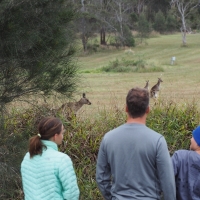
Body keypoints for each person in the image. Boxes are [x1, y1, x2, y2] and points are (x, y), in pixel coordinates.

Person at [96, 87, 176, 200]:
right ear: (148, 109)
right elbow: (168, 183)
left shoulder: (108, 139)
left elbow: (101, 178)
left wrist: (113, 197)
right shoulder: (158, 141)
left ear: (126, 108)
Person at [21, 117, 79, 200]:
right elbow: (72, 194)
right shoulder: (62, 159)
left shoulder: (28, 156)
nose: (62, 136)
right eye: (62, 133)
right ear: (55, 136)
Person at [171, 126, 200, 200]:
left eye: (193, 137)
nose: (191, 139)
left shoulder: (180, 156)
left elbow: (164, 178)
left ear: (198, 142)